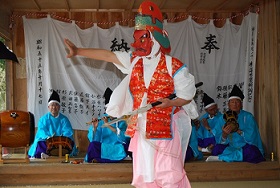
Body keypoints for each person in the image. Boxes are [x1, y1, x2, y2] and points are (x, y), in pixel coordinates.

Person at [64, 1, 196, 187]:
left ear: (154, 39)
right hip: (141, 129)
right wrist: (78, 51)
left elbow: (187, 96)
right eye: (137, 38)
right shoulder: (135, 62)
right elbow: (109, 56)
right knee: (146, 174)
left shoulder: (173, 66)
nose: (137, 44)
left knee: (168, 174)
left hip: (166, 129)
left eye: (143, 38)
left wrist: (170, 103)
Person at [207, 85, 265, 163]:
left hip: (245, 146)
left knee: (252, 152)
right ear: (228, 104)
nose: (235, 104)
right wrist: (224, 135)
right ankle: (232, 157)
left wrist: (239, 131)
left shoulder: (248, 117)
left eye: (237, 102)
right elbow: (218, 138)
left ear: (241, 104)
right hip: (231, 147)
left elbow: (252, 138)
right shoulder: (223, 118)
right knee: (217, 148)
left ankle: (222, 158)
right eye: (232, 102)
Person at [84, 87, 131, 163]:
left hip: (117, 149)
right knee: (93, 145)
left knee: (128, 146)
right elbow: (93, 140)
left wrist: (109, 126)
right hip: (104, 148)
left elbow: (125, 139)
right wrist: (95, 128)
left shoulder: (121, 120)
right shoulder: (100, 120)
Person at [28, 90, 78, 159]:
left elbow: (68, 131)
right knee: (40, 143)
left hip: (61, 142)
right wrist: (48, 137)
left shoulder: (64, 119)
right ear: (48, 107)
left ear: (59, 107)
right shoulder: (43, 119)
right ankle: (44, 154)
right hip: (47, 141)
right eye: (52, 105)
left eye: (56, 105)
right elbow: (41, 131)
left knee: (70, 143)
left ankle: (50, 154)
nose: (54, 107)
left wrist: (61, 138)